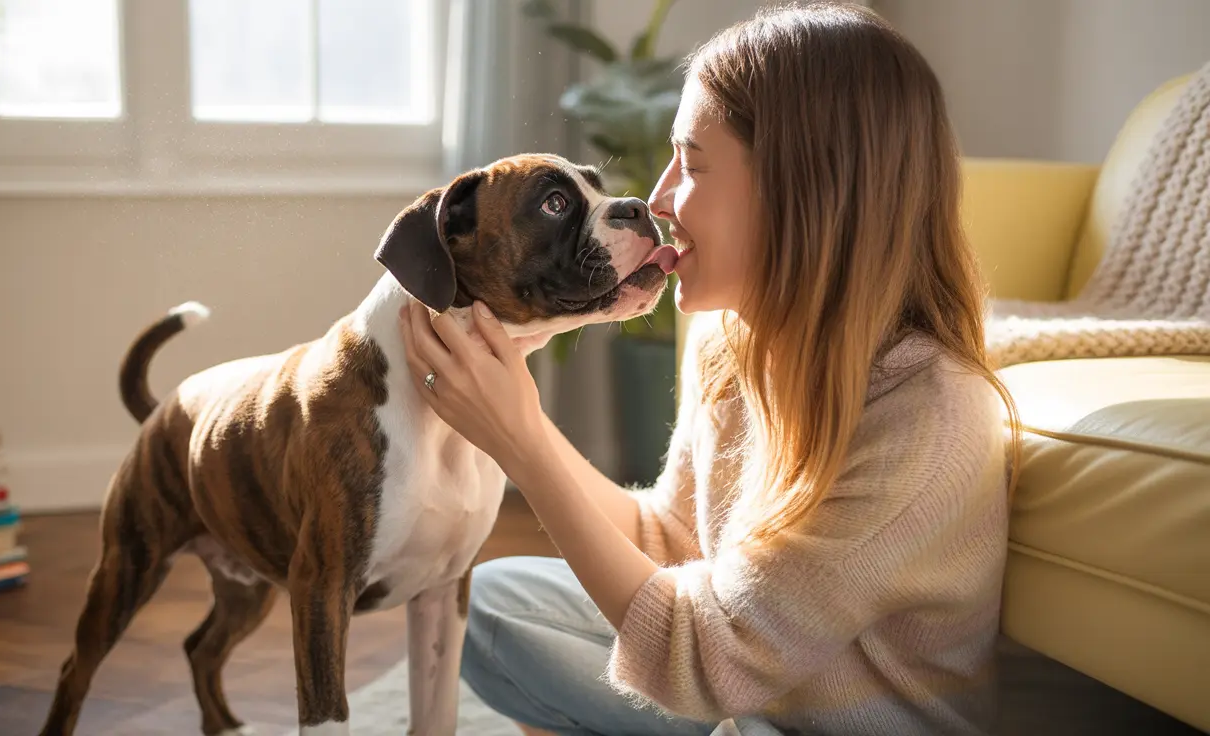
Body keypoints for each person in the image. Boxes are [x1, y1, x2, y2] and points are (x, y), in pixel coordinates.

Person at [398, 3, 1021, 735]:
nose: (659, 198)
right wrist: (516, 415)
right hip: (737, 693)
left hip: (801, 721)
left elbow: (709, 658)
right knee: (497, 605)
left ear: (805, 189)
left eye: (691, 164)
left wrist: (522, 447)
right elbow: (669, 542)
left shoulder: (927, 419)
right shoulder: (734, 345)